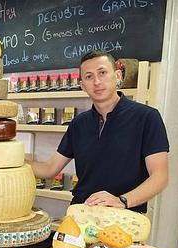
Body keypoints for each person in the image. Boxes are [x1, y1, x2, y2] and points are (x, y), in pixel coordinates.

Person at [29, 50, 169, 213]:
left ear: (117, 76)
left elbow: (160, 176)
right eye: (89, 76)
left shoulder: (147, 117)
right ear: (82, 86)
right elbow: (49, 169)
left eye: (102, 73)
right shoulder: (78, 124)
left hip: (124, 213)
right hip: (82, 211)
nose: (96, 81)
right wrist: (11, 161)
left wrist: (122, 200)